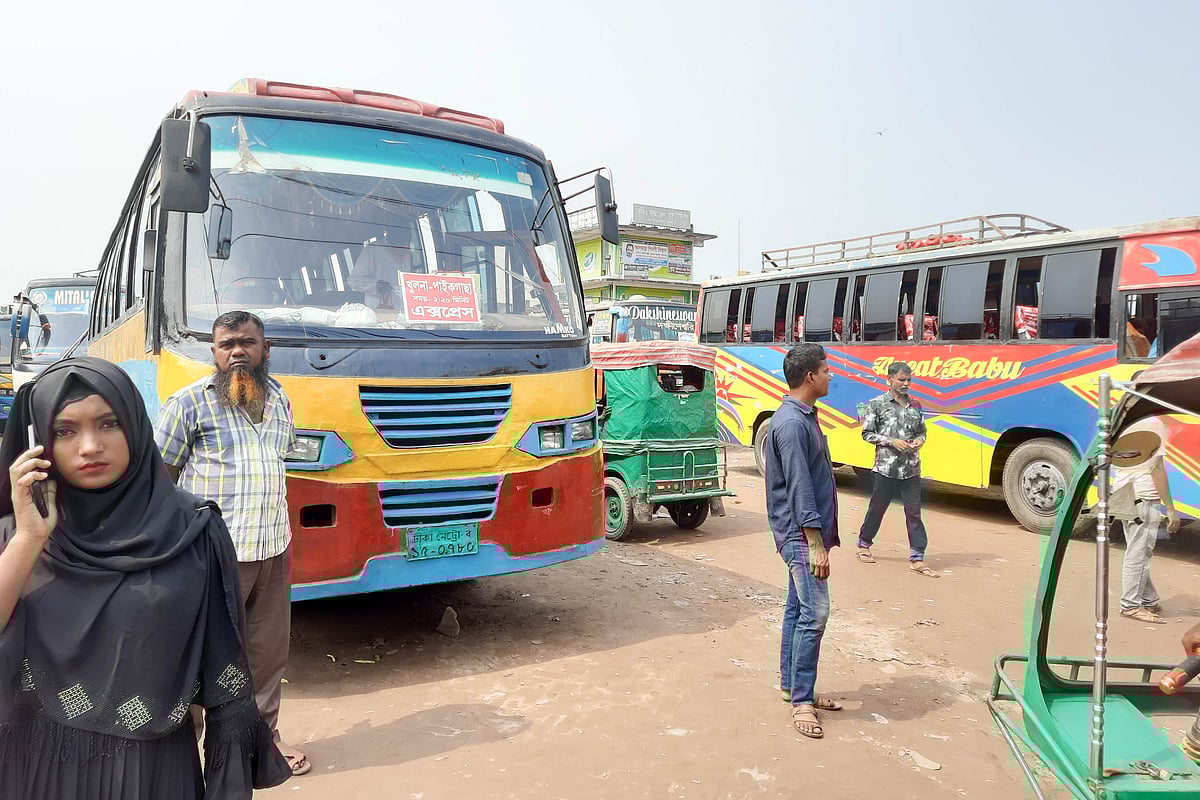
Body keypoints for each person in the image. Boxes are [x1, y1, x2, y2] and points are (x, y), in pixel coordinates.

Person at [0, 357, 290, 798]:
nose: (90, 446)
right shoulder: (17, 532)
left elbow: (226, 669)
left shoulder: (193, 528)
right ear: (39, 443)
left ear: (135, 424)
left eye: (108, 423)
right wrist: (27, 539)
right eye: (65, 431)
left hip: (151, 771)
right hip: (34, 765)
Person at [155, 311, 310, 777]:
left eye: (246, 342)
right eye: (226, 345)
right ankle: (184, 760)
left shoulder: (281, 399)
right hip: (213, 559)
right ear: (215, 353)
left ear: (266, 350)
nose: (236, 351)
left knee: (266, 657)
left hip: (273, 550)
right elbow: (161, 482)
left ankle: (262, 747)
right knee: (203, 659)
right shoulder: (189, 405)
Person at [766, 343, 842, 740]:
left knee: (797, 611)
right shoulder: (792, 423)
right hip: (801, 535)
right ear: (810, 377)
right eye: (827, 370)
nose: (832, 376)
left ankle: (793, 687)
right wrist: (815, 542)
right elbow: (799, 487)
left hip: (804, 532)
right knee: (816, 613)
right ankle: (802, 702)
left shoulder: (803, 416)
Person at [855, 361, 938, 577]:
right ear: (889, 379)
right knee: (877, 509)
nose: (906, 384)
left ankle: (917, 557)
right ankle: (864, 544)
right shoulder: (877, 404)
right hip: (886, 469)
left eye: (909, 380)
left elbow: (922, 432)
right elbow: (867, 434)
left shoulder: (916, 405)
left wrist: (920, 441)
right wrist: (891, 441)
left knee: (914, 513)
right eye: (902, 380)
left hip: (911, 469)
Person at [1113, 417, 1180, 624]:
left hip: (1123, 492)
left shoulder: (1124, 420)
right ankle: (1131, 605)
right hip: (1144, 495)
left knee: (1138, 549)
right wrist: (1170, 508)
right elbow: (1157, 468)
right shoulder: (1154, 425)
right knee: (1139, 553)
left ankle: (1148, 599)